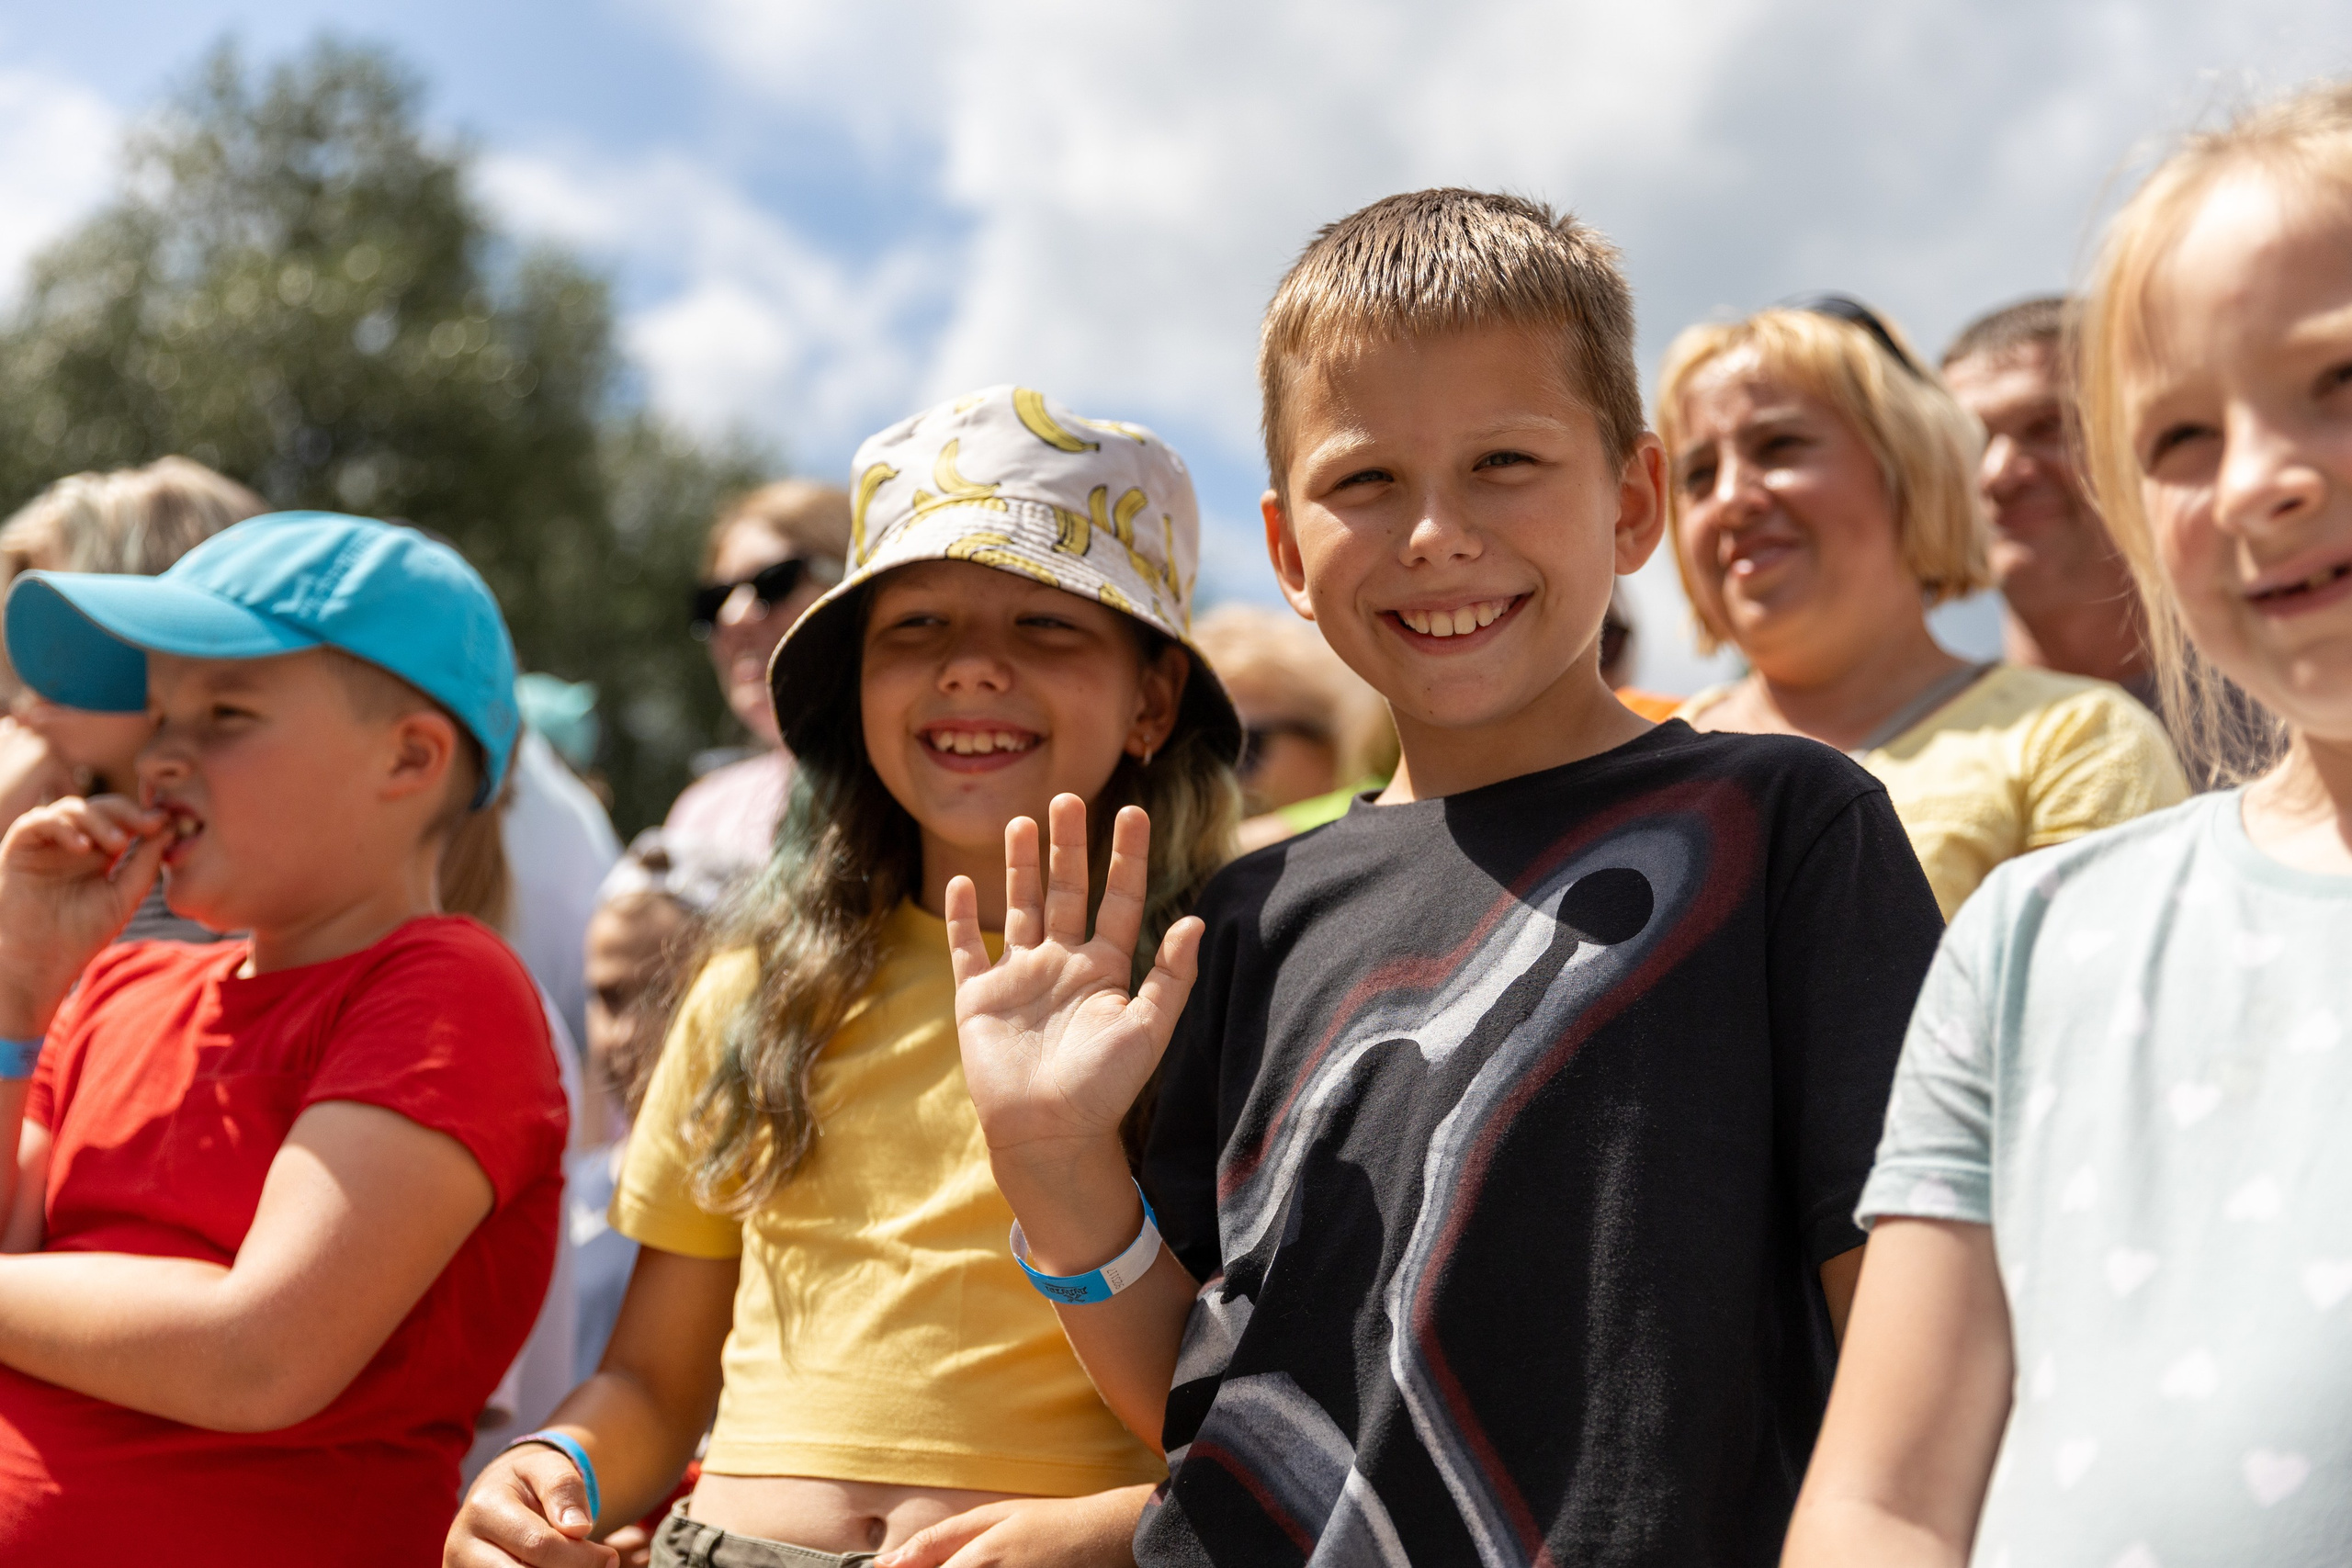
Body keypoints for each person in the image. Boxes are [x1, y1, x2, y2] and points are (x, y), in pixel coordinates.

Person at [946, 189, 1947, 1565]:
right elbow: (1213, 1406)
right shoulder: (1242, 918)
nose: (1434, 533)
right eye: (1365, 482)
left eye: (1505, 462)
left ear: (1636, 498)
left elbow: (1906, 1299)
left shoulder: (1789, 826)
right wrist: (1056, 1164)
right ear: (1290, 551)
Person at [447, 385, 1240, 1568]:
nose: (972, 669)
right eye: (914, 627)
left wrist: (1116, 1530)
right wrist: (550, 1469)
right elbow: (655, 1385)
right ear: (852, 690)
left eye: (1047, 627)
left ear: (1154, 699)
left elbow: (1279, 1420)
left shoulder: (1232, 982)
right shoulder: (752, 989)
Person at [1783, 80, 2352, 1565]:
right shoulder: (2029, 941)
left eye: (2342, 377)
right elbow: (1882, 1497)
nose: (2265, 478)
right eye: (2176, 437)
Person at [0, 511, 567, 1563]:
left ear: (407, 757)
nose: (162, 753)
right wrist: (18, 993)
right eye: (158, 715)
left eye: (224, 711)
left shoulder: (447, 986)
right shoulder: (115, 983)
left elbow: (254, 1356)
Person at [1656, 297, 2189, 917]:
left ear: (1910, 471)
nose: (1730, 499)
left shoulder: (2080, 742)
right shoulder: (1629, 766)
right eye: (1697, 474)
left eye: (1779, 446)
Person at [0, 456, 265, 942]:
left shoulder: (247, 882)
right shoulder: (46, 848)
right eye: (24, 644)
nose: (31, 683)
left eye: (64, 640)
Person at [567, 829, 732, 1386]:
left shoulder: (780, 1214)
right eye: (609, 997)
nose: (631, 1032)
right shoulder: (559, 1200)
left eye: (666, 992)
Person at [1940, 296, 2154, 698]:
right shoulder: (1929, 748)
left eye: (2048, 426)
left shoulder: (2290, 710)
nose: (1997, 475)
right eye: (1967, 443)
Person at [662, 480, 852, 876]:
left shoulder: (932, 794)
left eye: (774, 582)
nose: (733, 617)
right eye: (713, 602)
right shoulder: (703, 815)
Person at [1191, 604, 1396, 848]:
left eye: (1239, 745)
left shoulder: (1389, 804)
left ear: (1325, 740)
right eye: (1196, 754)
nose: (1217, 778)